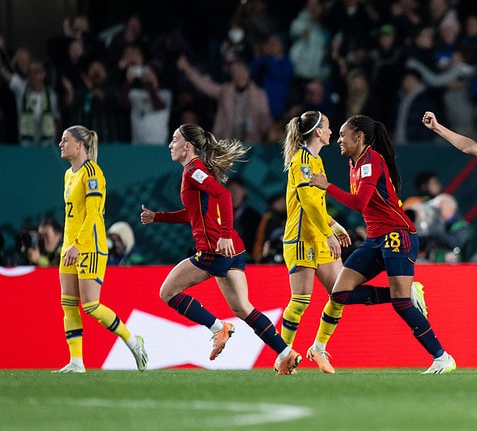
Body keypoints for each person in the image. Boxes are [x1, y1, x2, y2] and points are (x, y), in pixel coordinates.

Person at [140, 123, 301, 374]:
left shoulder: (193, 170)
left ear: (188, 146)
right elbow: (194, 214)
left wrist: (224, 234)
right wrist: (158, 217)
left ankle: (218, 328)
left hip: (214, 250)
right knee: (243, 308)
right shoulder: (196, 171)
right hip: (233, 250)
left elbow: (224, 196)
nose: (170, 144)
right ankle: (286, 353)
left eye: (174, 139)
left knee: (167, 292)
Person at [309, 114, 456, 374]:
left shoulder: (372, 160)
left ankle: (442, 357)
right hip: (375, 238)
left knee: (401, 305)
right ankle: (408, 293)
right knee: (339, 294)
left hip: (397, 234)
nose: (339, 140)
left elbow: (359, 204)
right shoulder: (354, 163)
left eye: (343, 135)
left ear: (359, 136)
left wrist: (326, 186)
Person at [55, 125, 148, 373]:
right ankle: (76, 362)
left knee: (90, 305)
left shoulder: (93, 173)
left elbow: (94, 214)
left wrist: (77, 244)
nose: (60, 144)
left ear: (80, 145)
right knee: (68, 304)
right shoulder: (68, 175)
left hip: (90, 247)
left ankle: (132, 341)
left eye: (65, 140)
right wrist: (67, 245)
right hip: (69, 247)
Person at [280, 110, 352, 374]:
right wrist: (328, 233)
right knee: (300, 301)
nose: (332, 132)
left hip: (319, 235)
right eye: (329, 127)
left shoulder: (316, 161)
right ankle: (283, 357)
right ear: (318, 132)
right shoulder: (302, 161)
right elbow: (307, 202)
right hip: (302, 238)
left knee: (340, 294)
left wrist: (334, 224)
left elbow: (318, 203)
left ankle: (318, 347)